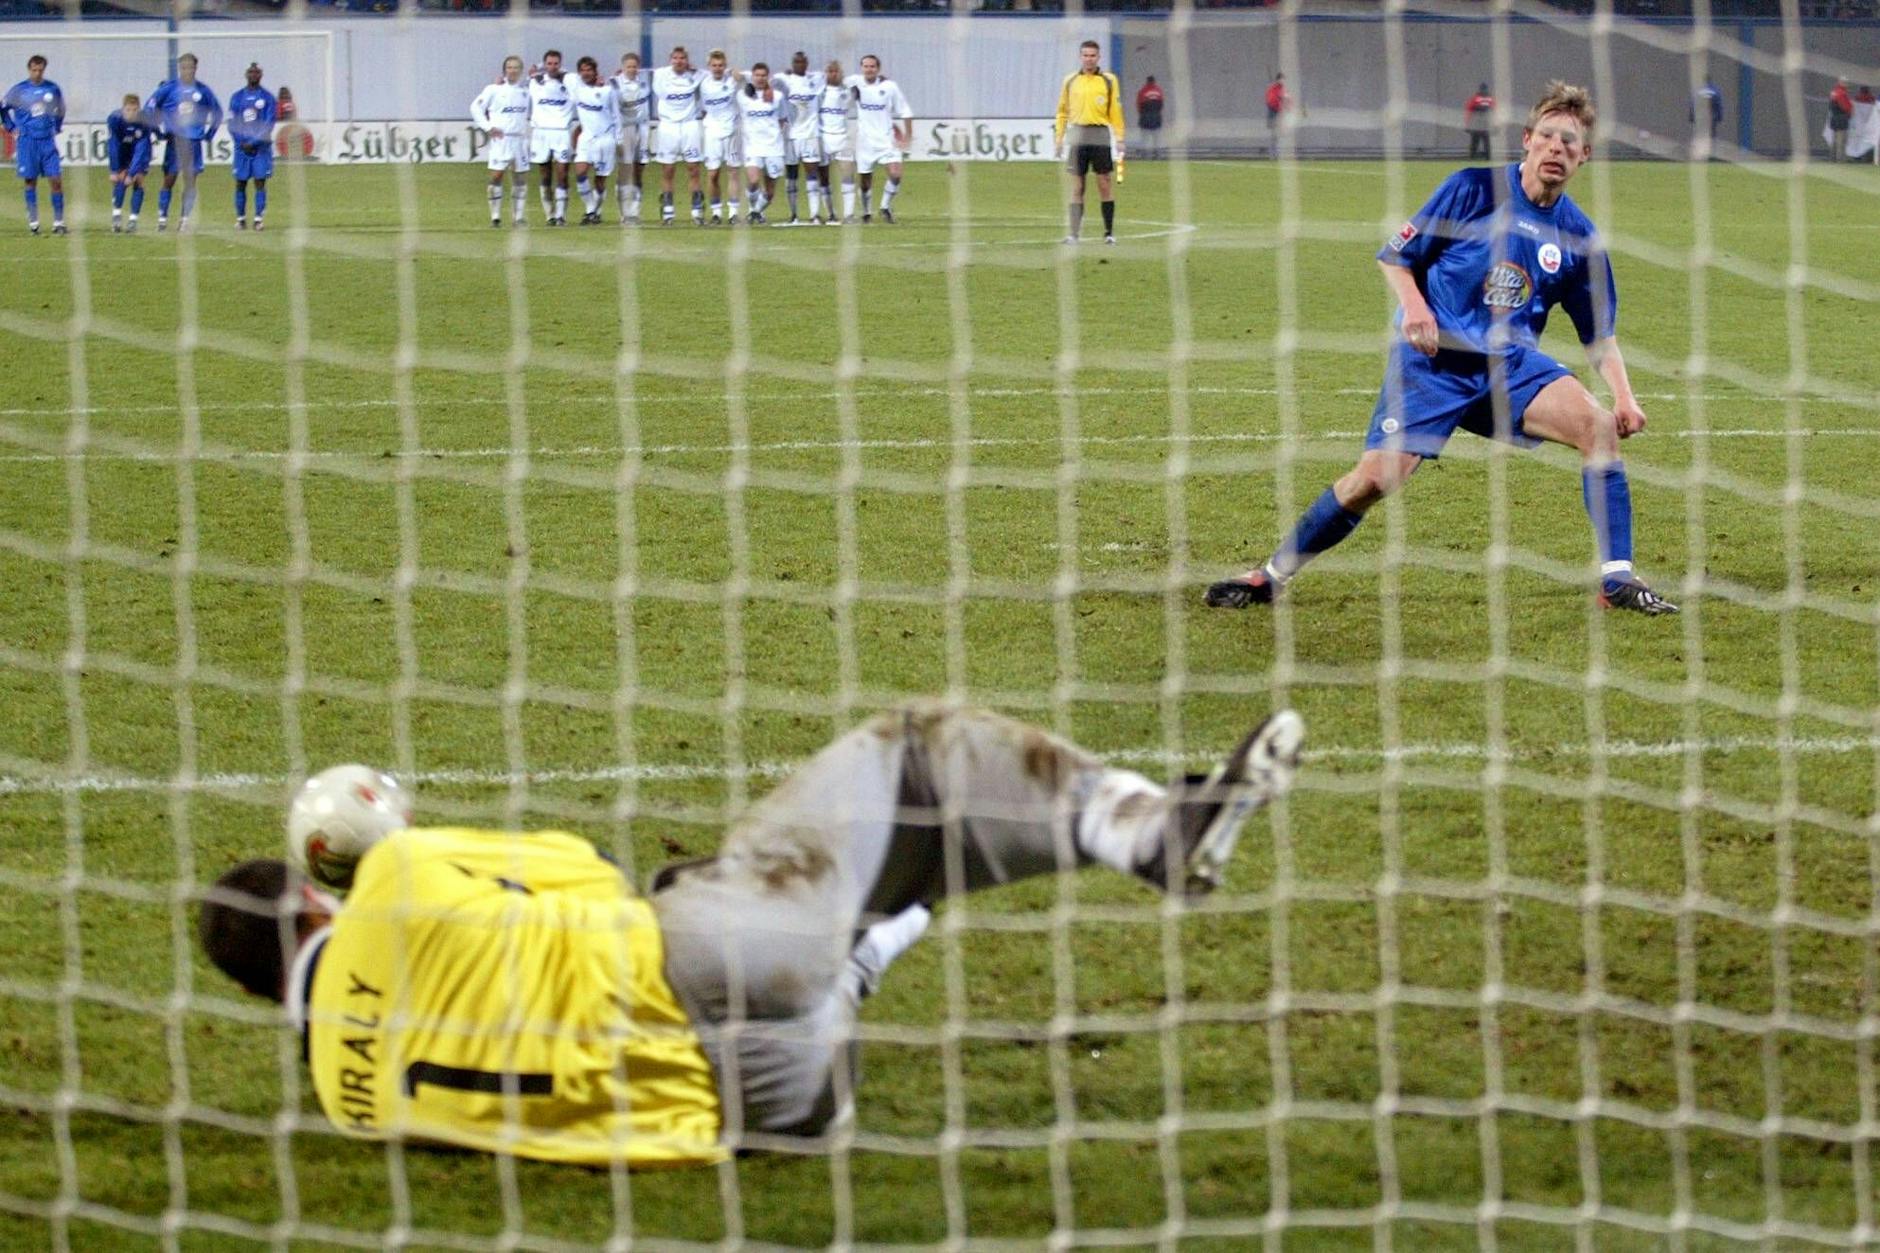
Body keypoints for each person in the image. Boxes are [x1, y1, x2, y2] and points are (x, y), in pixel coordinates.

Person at [196, 702, 1305, 1160]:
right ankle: (1151, 830)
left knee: (862, 899)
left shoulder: (349, 1103)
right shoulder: (390, 882)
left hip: (765, 1107)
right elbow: (580, 870)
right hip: (696, 960)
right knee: (915, 757)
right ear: (313, 900)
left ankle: (864, 951)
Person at [1205, 81, 1677, 617]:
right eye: (1547, 136)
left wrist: (1624, 397)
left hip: (1509, 367)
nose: (1556, 149)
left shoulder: (1579, 237)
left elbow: (1599, 334)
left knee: (1596, 428)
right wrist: (1416, 308)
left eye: (1570, 142)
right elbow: (1396, 257)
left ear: (1584, 155)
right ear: (1526, 140)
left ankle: (1616, 581)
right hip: (1433, 364)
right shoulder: (1471, 190)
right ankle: (1270, 576)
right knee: (1376, 480)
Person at [1055, 40, 1125, 247]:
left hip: (1100, 133)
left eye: (1092, 55)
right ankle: (1074, 235)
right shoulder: (1070, 81)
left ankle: (1109, 233)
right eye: (1085, 55)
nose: (1089, 59)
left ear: (1098, 57)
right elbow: (1062, 111)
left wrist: (1120, 137)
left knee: (1104, 183)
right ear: (1080, 57)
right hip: (1077, 134)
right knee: (1077, 186)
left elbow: (1115, 111)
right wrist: (1058, 139)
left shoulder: (1109, 81)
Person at [146, 53, 221, 233]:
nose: (187, 70)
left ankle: (184, 220)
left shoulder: (203, 90)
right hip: (175, 141)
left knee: (190, 182)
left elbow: (217, 112)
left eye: (191, 67)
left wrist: (210, 133)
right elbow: (149, 107)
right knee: (169, 179)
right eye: (184, 67)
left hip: (194, 141)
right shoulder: (169, 88)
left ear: (196, 68)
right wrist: (156, 130)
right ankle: (162, 219)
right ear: (180, 68)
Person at [2, 55, 66, 235]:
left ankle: (59, 223)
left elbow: (61, 109)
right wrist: (11, 127)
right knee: (30, 181)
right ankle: (34, 223)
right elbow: (3, 108)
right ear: (29, 69)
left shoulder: (52, 88)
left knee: (56, 180)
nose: (37, 73)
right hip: (27, 141)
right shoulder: (19, 90)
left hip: (47, 140)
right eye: (34, 70)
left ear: (44, 69)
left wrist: (57, 126)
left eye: (40, 70)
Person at [849, 55, 912, 224]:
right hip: (865, 142)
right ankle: (866, 212)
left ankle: (885, 207)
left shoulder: (889, 87)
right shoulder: (854, 82)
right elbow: (833, 81)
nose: (869, 69)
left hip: (886, 140)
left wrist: (908, 136)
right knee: (865, 181)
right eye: (866, 66)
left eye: (872, 66)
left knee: (896, 174)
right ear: (861, 68)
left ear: (878, 69)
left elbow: (905, 111)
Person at [471, 56, 531, 228]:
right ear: (505, 70)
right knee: (496, 176)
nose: (513, 70)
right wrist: (488, 127)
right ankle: (495, 217)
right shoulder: (493, 89)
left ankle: (518, 217)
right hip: (501, 139)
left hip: (519, 140)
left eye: (517, 67)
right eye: (510, 67)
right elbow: (475, 108)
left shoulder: (526, 91)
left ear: (521, 70)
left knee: (520, 179)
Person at [651, 45, 704, 226]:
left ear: (687, 60)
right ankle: (667, 212)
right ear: (670, 59)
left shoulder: (696, 75)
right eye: (675, 58)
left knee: (694, 168)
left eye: (682, 58)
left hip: (690, 125)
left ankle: (697, 212)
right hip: (668, 126)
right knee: (668, 170)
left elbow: (718, 72)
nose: (679, 61)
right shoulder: (660, 75)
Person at [568, 56, 620, 226]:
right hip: (586, 139)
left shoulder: (607, 91)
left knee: (600, 179)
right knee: (580, 172)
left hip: (605, 139)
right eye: (582, 70)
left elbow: (616, 115)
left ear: (595, 71)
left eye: (589, 70)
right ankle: (590, 209)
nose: (586, 73)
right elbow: (557, 72)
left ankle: (595, 212)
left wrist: (618, 138)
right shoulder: (576, 88)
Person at [776, 51, 825, 225]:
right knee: (791, 176)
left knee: (812, 172)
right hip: (791, 135)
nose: (799, 65)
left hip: (811, 134)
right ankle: (794, 214)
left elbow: (837, 76)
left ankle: (815, 214)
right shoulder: (783, 79)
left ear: (806, 63)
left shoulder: (817, 79)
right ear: (792, 63)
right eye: (796, 62)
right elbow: (760, 81)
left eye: (802, 62)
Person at [228, 63, 278, 231]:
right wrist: (241, 141)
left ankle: (258, 219)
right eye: (250, 72)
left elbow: (269, 123)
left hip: (261, 148)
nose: (253, 75)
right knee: (240, 183)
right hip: (241, 147)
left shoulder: (268, 98)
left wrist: (254, 142)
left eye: (256, 72)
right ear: (246, 74)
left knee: (260, 182)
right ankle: (241, 219)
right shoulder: (236, 97)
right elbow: (232, 122)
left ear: (261, 75)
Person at [738, 63, 789, 225]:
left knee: (770, 192)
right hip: (753, 146)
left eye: (763, 75)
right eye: (757, 75)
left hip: (774, 147)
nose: (760, 78)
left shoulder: (777, 96)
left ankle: (755, 213)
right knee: (753, 181)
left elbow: (782, 120)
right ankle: (753, 212)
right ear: (752, 76)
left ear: (768, 77)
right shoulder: (743, 95)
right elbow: (734, 74)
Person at [698, 50, 744, 225]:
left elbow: (749, 82)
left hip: (731, 130)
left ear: (725, 66)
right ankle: (716, 213)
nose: (717, 68)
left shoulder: (733, 80)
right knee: (713, 174)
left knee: (733, 172)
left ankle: (733, 213)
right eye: (714, 65)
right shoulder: (703, 82)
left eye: (720, 65)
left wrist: (737, 74)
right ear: (709, 66)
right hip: (712, 132)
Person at [529, 51, 575, 225]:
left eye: (556, 63)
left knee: (562, 173)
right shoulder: (536, 82)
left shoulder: (570, 81)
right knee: (545, 175)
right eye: (549, 63)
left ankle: (561, 215)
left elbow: (583, 80)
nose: (553, 66)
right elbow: (526, 75)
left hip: (561, 133)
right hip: (541, 133)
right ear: (545, 64)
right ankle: (549, 214)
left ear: (560, 64)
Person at [611, 53, 651, 224]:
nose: (632, 69)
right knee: (625, 171)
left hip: (642, 129)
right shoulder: (615, 83)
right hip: (625, 130)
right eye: (629, 66)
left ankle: (635, 212)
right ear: (623, 67)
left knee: (638, 170)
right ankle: (624, 212)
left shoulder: (645, 80)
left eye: (635, 66)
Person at [106, 93, 152, 233]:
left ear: (138, 109)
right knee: (121, 180)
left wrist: (132, 173)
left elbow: (141, 148)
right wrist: (114, 170)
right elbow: (113, 144)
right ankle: (116, 216)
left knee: (138, 180)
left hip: (139, 152)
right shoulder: (114, 119)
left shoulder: (144, 121)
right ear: (123, 109)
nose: (131, 113)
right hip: (122, 152)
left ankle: (133, 220)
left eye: (134, 110)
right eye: (128, 110)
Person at [817, 58, 855, 226]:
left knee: (847, 175)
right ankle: (831, 214)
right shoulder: (819, 92)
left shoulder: (848, 91)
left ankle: (848, 215)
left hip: (842, 138)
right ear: (826, 74)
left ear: (841, 74)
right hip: (823, 138)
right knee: (823, 178)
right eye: (830, 71)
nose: (833, 74)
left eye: (836, 71)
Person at [1690, 77, 1723, 160]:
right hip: (1712, 118)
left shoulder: (1698, 91)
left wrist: (1692, 117)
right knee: (1712, 136)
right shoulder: (1715, 91)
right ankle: (1712, 155)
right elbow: (1719, 105)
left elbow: (1693, 105)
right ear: (1710, 81)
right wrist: (1719, 117)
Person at [1136, 75, 1164, 159]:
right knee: (1157, 137)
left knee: (1144, 138)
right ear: (1154, 81)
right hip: (1156, 117)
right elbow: (1161, 104)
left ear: (1147, 81)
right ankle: (1158, 155)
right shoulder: (1159, 91)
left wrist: (1142, 114)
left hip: (1145, 117)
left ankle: (1144, 155)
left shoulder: (1143, 91)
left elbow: (1138, 105)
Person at [1464, 83, 1494, 161]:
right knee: (1487, 142)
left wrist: (1467, 124)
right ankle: (1488, 158)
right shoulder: (1490, 99)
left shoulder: (1475, 99)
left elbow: (1469, 111)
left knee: (1474, 142)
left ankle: (1472, 157)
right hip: (1486, 124)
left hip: (1476, 124)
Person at [1828, 77, 1853, 162]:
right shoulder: (1842, 93)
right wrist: (1850, 111)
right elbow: (1845, 107)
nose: (1847, 84)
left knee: (1834, 140)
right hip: (1841, 118)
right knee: (1841, 140)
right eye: (1846, 82)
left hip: (1834, 118)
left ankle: (1833, 158)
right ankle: (1840, 159)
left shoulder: (1834, 92)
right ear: (1841, 82)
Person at [1264, 72, 1291, 150]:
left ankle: (1279, 148)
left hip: (1279, 112)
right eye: (1282, 79)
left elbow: (1288, 99)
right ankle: (1274, 150)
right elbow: (1270, 101)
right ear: (1278, 79)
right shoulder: (1273, 89)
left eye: (1284, 79)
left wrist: (1287, 107)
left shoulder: (1283, 89)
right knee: (1274, 130)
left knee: (1280, 130)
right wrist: (1279, 98)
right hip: (1273, 111)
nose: (1283, 81)